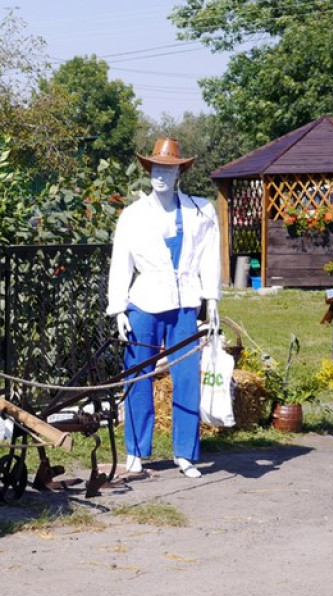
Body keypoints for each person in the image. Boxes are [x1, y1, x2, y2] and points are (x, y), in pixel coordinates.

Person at [106, 138, 220, 478]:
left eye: (168, 170)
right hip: (144, 302)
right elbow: (121, 262)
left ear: (179, 173)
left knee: (186, 377)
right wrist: (118, 308)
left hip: (184, 303)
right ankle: (136, 451)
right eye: (156, 169)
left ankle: (185, 453)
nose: (160, 176)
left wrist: (212, 299)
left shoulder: (201, 211)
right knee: (138, 375)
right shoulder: (133, 215)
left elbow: (210, 257)